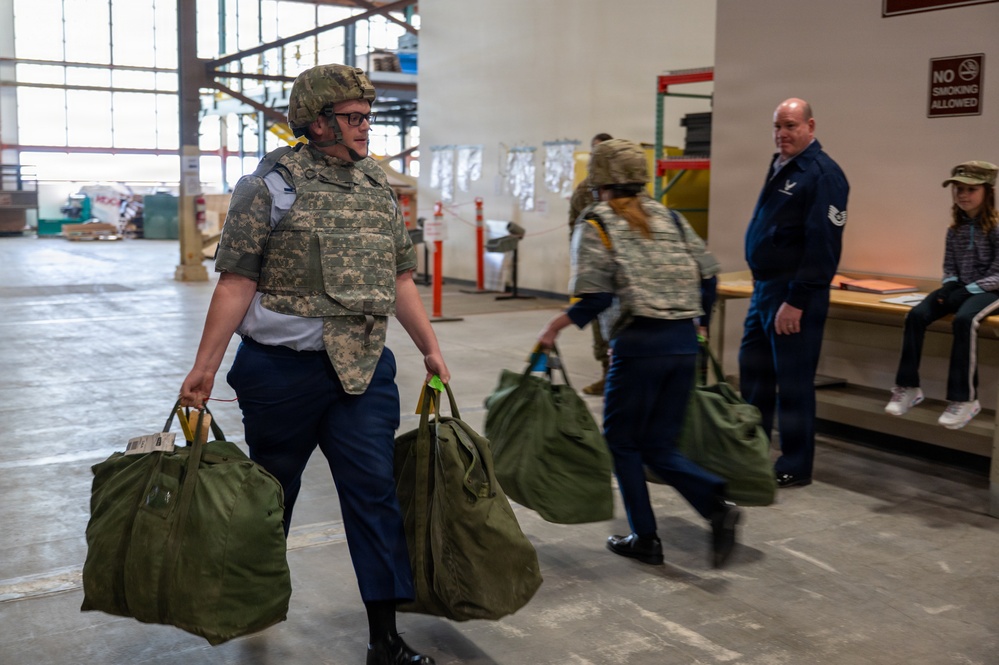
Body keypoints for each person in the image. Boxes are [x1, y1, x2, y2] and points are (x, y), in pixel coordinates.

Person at [179, 64, 447, 665]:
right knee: (272, 497)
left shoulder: (377, 187)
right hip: (282, 374)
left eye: (365, 118)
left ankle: (385, 640)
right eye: (352, 118)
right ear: (317, 122)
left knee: (375, 495)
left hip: (362, 370)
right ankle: (246, 601)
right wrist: (204, 367)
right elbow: (235, 283)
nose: (364, 129)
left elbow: (400, 277)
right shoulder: (270, 186)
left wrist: (430, 345)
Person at [538, 139, 741, 569]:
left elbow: (594, 298)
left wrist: (555, 326)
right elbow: (709, 276)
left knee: (622, 442)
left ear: (599, 182)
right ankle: (716, 505)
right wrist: (699, 321)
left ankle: (645, 537)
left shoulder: (597, 224)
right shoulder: (671, 217)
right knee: (658, 443)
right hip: (684, 347)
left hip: (638, 347)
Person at [739, 98, 849, 489]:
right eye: (777, 127)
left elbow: (824, 248)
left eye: (790, 126)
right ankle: (750, 453)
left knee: (793, 382)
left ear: (810, 126)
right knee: (754, 373)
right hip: (765, 290)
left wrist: (797, 301)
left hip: (794, 296)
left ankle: (796, 464)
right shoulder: (782, 164)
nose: (782, 134)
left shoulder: (822, 174)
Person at [885, 161, 999, 430]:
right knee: (917, 315)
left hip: (992, 290)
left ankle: (965, 399)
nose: (963, 195)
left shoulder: (995, 229)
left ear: (987, 192)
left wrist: (967, 292)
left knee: (964, 321)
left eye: (971, 189)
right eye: (958, 189)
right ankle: (908, 386)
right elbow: (950, 267)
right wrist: (949, 287)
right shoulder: (954, 230)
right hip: (961, 288)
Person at [568, 132, 614, 396]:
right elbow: (573, 229)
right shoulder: (584, 191)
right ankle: (607, 374)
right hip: (597, 267)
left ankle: (616, 374)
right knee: (600, 321)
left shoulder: (626, 188)